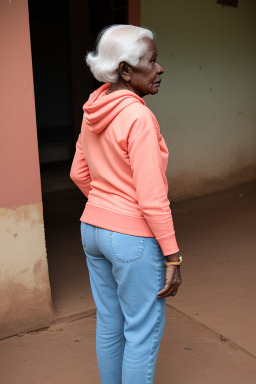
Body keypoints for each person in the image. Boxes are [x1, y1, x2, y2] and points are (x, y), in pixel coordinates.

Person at [70, 24, 182, 384]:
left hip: (93, 231)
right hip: (131, 239)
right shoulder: (139, 117)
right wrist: (172, 256)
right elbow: (151, 198)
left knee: (110, 323)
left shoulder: (94, 108)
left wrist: (107, 206)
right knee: (140, 333)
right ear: (124, 69)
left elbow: (78, 173)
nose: (160, 68)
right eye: (152, 60)